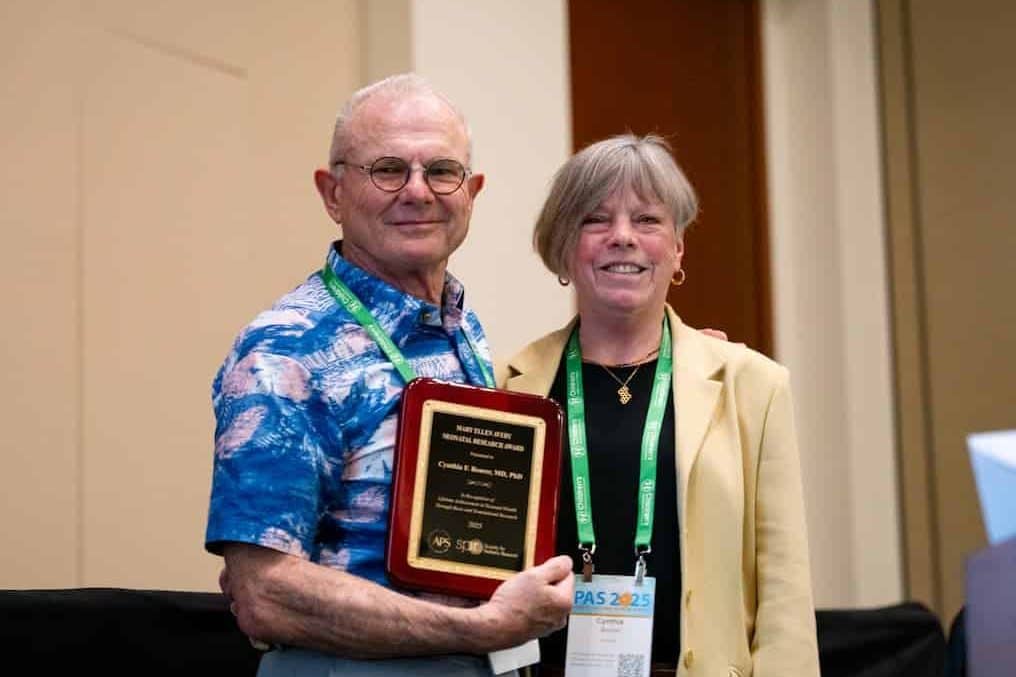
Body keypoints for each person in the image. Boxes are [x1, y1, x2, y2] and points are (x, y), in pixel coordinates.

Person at [205, 73, 574, 676]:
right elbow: (264, 594)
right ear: (333, 194)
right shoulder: (286, 351)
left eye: (442, 172)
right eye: (388, 170)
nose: (418, 192)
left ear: (472, 191)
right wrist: (482, 628)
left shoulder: (461, 331)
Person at [498, 134, 820, 676]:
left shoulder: (752, 386)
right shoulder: (508, 389)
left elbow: (783, 590)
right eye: (595, 220)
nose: (623, 237)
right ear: (563, 249)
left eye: (647, 220)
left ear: (677, 249)